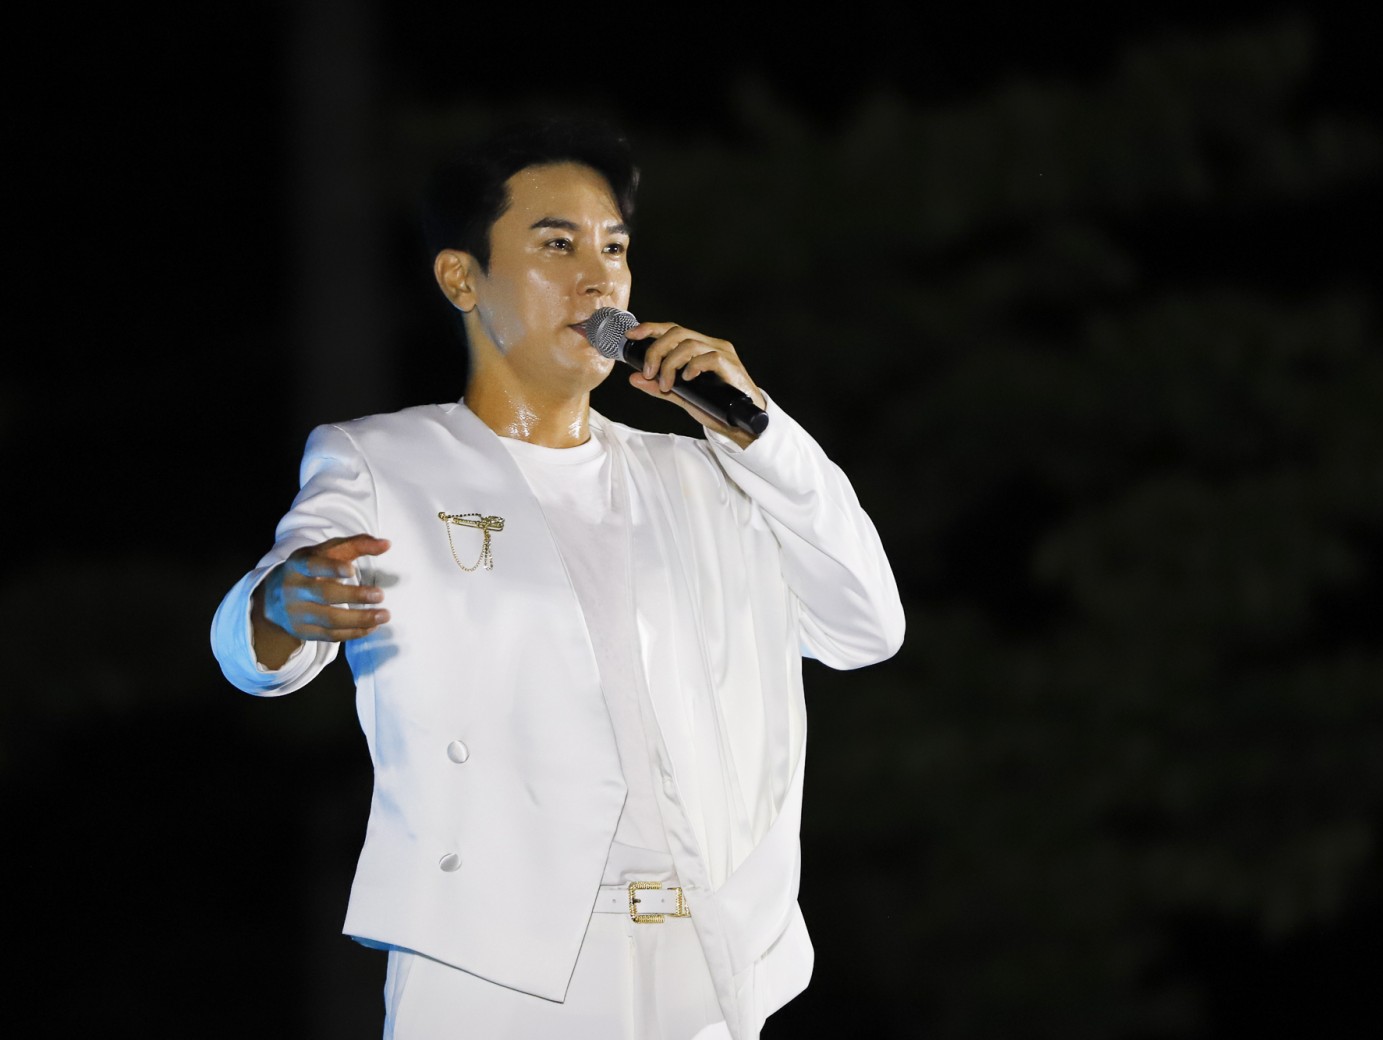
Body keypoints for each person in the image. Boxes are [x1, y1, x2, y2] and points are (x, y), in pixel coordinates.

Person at [210, 114, 903, 1039]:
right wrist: (283, 604)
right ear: (462, 278)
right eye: (557, 244)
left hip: (705, 966)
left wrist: (762, 432)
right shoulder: (386, 461)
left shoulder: (703, 475)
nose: (598, 277)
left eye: (614, 248)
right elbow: (257, 644)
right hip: (495, 964)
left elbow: (865, 628)